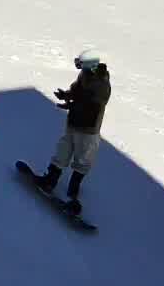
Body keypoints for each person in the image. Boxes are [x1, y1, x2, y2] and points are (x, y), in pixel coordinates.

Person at [33, 50, 111, 213]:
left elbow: (92, 107)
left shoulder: (102, 85)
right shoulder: (85, 75)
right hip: (73, 124)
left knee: (82, 160)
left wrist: (71, 105)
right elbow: (76, 91)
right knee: (62, 152)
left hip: (88, 129)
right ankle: (50, 180)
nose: (79, 67)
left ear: (91, 65)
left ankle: (72, 193)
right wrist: (66, 95)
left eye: (81, 64)